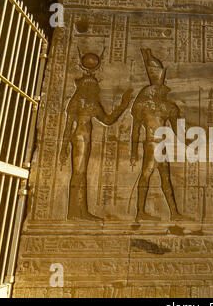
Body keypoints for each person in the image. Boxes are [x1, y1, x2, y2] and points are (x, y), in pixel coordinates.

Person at [60, 53, 133, 220]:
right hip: (82, 138)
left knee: (79, 173)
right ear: (90, 88)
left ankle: (76, 211)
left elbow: (68, 127)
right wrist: (123, 105)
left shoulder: (76, 101)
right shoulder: (89, 102)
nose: (98, 90)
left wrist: (64, 146)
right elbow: (108, 119)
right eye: (95, 88)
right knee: (80, 173)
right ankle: (77, 212)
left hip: (78, 137)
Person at [130, 48, 192, 222]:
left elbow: (179, 133)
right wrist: (133, 152)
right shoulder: (143, 105)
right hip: (151, 144)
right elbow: (135, 130)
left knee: (165, 178)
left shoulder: (169, 107)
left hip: (161, 145)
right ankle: (140, 212)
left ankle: (174, 213)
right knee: (147, 174)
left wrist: (190, 143)